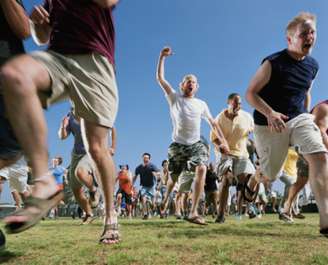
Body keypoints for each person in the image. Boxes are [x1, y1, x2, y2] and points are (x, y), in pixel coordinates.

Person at [1, 0, 120, 244]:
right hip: (58, 59)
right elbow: (41, 37)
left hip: (95, 62)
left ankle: (110, 216)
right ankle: (44, 182)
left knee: (97, 148)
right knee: (14, 75)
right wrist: (38, 23)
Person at [246, 12, 328, 237]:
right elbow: (250, 94)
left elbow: (306, 91)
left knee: (320, 155)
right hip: (268, 123)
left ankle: (325, 220)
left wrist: (306, 115)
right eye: (304, 34)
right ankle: (256, 177)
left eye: (312, 32)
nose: (310, 37)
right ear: (290, 38)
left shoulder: (313, 65)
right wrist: (270, 113)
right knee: (271, 174)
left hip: (297, 117)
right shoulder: (273, 63)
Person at [156, 46, 229, 225]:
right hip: (177, 146)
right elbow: (160, 78)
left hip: (196, 144)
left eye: (193, 81)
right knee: (173, 179)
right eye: (187, 81)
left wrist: (223, 141)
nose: (190, 83)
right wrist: (162, 57)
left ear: (197, 86)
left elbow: (213, 123)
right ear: (182, 85)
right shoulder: (174, 98)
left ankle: (193, 211)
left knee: (202, 168)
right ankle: (165, 200)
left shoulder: (201, 104)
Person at [58, 109, 116, 224]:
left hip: (91, 152)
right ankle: (89, 214)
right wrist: (63, 126)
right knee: (75, 189)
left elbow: (112, 127)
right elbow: (62, 137)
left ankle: (93, 190)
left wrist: (112, 146)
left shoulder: (92, 110)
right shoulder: (69, 117)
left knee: (80, 172)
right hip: (76, 154)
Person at [210, 93, 255, 223]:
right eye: (235, 103)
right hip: (225, 154)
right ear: (228, 103)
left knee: (247, 179)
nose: (238, 106)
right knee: (227, 179)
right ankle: (220, 215)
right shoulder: (219, 118)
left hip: (241, 153)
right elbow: (214, 139)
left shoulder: (247, 117)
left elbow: (252, 130)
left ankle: (248, 206)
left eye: (240, 103)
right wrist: (220, 147)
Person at [281, 100, 328, 222]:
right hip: (310, 149)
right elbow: (321, 133)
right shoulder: (323, 108)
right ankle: (287, 207)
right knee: (301, 181)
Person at [133, 153, 160, 219]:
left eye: (147, 158)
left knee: (153, 204)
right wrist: (132, 184)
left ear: (149, 159)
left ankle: (152, 206)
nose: (146, 159)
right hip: (144, 186)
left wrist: (158, 178)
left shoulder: (152, 166)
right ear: (142, 158)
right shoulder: (139, 167)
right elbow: (135, 176)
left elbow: (157, 172)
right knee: (143, 199)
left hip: (152, 186)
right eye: (144, 158)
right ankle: (145, 214)